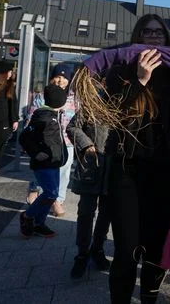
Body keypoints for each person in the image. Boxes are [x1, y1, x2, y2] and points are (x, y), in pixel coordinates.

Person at [105, 13, 170, 303]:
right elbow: (114, 115)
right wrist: (139, 81)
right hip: (127, 168)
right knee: (127, 249)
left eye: (160, 33)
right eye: (148, 32)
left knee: (156, 246)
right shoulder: (121, 67)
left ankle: (149, 299)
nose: (155, 37)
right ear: (138, 36)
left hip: (165, 169)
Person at [26, 63, 76, 217]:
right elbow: (32, 118)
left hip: (66, 142)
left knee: (64, 172)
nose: (60, 80)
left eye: (64, 78)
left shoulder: (74, 98)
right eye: (57, 77)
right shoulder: (42, 96)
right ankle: (36, 189)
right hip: (45, 142)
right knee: (45, 171)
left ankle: (58, 201)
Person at [18, 84, 68, 238]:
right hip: (44, 163)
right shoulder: (43, 117)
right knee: (50, 193)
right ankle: (27, 216)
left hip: (54, 163)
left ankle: (39, 223)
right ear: (59, 101)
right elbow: (24, 137)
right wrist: (38, 154)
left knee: (52, 194)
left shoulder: (52, 115)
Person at [66, 111, 112, 279]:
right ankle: (82, 253)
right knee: (85, 212)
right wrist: (85, 144)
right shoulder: (90, 105)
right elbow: (72, 127)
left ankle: (97, 248)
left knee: (106, 213)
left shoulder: (124, 104)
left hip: (114, 170)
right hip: (91, 168)